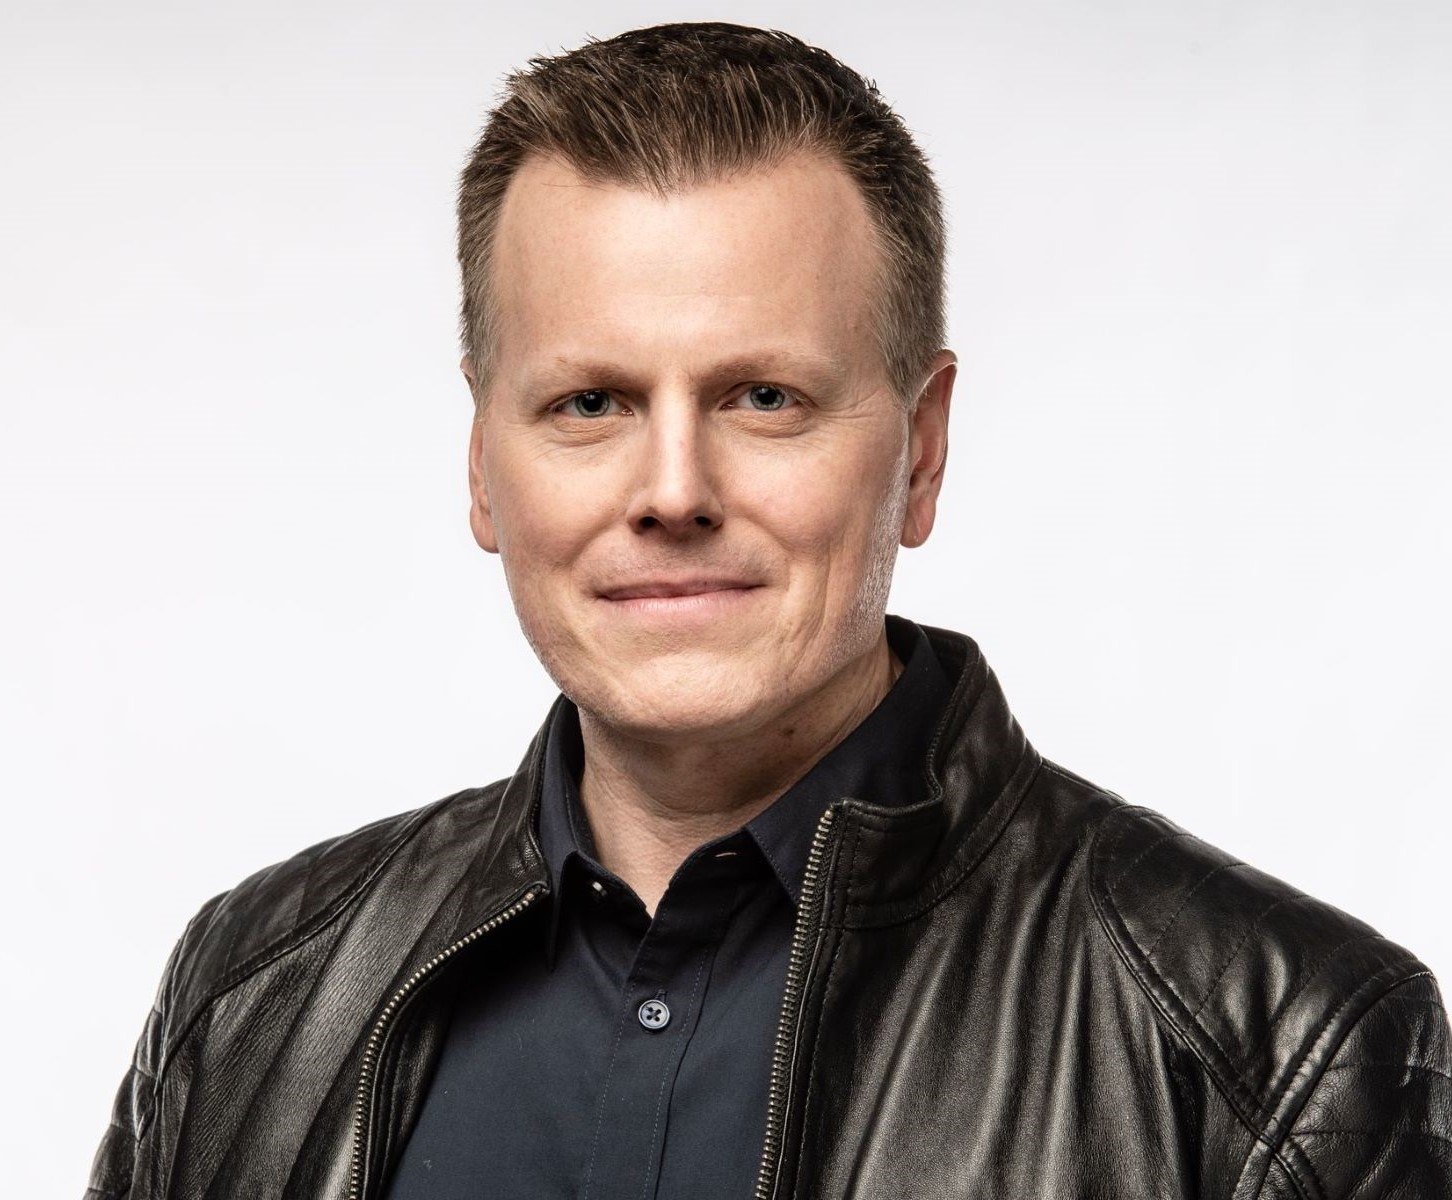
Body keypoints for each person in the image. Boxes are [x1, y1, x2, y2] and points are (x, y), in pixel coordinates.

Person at [87, 22, 1450, 1200]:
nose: (673, 491)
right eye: (590, 403)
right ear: (483, 464)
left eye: (764, 398)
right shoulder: (250, 997)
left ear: (921, 450)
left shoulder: (1283, 1057)